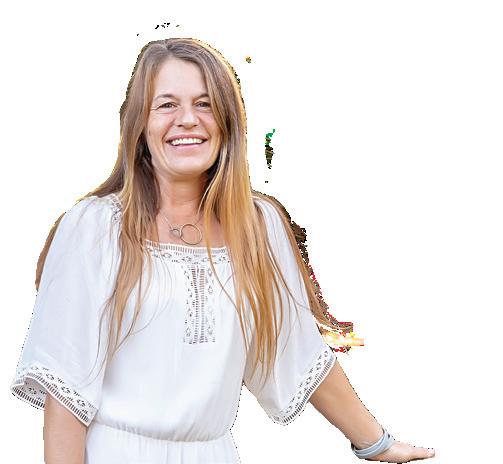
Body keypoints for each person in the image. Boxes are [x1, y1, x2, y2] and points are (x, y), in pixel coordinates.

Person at [9, 37, 436, 463]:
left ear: (227, 122)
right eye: (167, 105)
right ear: (140, 125)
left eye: (205, 104)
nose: (187, 120)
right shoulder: (96, 227)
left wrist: (377, 444)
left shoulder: (258, 226)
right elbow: (66, 389)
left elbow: (298, 349)